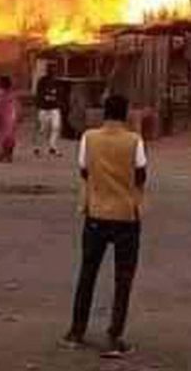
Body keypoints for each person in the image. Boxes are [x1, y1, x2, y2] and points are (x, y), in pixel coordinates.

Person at [63, 94, 148, 358]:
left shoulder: (89, 138)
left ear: (104, 114)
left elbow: (84, 170)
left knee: (87, 273)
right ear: (125, 114)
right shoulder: (134, 140)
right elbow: (141, 173)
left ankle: (76, 331)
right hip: (126, 216)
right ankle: (114, 335)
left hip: (96, 213)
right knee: (123, 279)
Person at [0, 75, 20, 163]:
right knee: (8, 137)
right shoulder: (10, 94)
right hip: (8, 118)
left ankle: (3, 154)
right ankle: (6, 155)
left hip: (1, 118)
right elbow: (16, 107)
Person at [34, 70, 64, 157]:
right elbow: (38, 94)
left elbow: (60, 94)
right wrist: (41, 102)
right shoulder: (42, 81)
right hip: (44, 108)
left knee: (56, 127)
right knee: (42, 129)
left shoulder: (57, 82)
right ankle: (37, 147)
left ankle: (52, 146)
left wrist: (57, 101)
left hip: (54, 108)